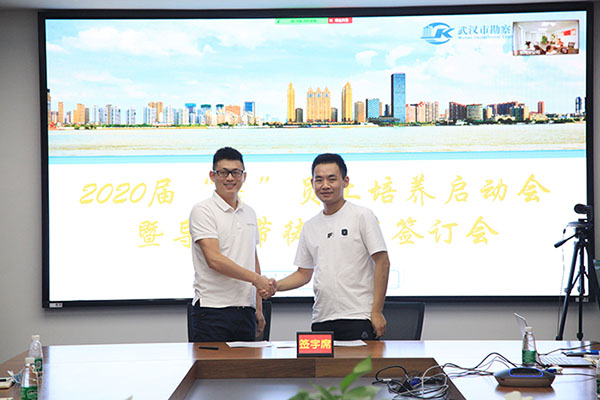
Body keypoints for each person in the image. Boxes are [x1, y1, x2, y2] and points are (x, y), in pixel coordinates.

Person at [263, 153, 390, 340]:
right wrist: (275, 287)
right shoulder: (310, 226)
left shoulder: (362, 215)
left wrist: (377, 311)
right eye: (319, 180)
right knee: (318, 361)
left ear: (345, 181)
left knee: (359, 361)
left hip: (358, 316)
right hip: (321, 320)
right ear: (312, 183)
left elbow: (382, 262)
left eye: (332, 179)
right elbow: (303, 273)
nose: (325, 185)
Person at [188, 147, 275, 342]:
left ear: (244, 176)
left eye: (236, 172)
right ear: (212, 176)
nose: (230, 178)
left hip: (245, 310)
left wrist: (258, 307)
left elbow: (252, 259)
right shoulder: (203, 210)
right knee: (214, 363)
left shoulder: (249, 212)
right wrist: (257, 279)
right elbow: (214, 260)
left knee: (247, 363)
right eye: (223, 172)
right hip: (212, 310)